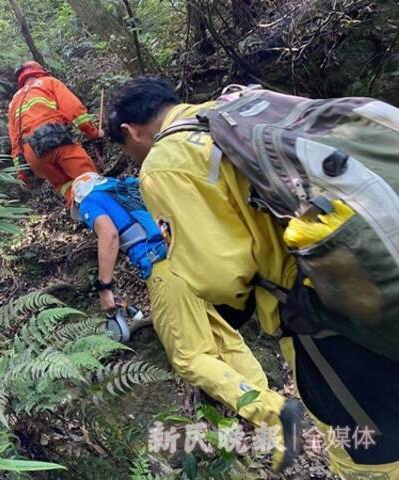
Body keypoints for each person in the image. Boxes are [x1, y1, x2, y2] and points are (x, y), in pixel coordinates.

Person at [107, 76, 399, 479]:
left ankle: (274, 413)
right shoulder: (240, 110)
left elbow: (220, 275)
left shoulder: (166, 161)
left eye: (127, 150)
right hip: (376, 264)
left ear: (130, 131)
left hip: (324, 313)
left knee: (369, 451)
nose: (132, 158)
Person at [71, 171, 302, 472]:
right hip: (188, 260)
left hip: (163, 269)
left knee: (188, 357)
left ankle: (273, 411)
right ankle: (270, 415)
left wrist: (105, 288)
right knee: (222, 337)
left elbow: (109, 234)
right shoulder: (128, 187)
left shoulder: (90, 200)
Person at [8, 61, 104, 204]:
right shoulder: (48, 82)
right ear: (39, 71)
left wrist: (21, 174)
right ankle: (110, 215)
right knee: (88, 179)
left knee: (64, 186)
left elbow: (14, 143)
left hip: (33, 154)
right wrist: (93, 132)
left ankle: (85, 213)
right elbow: (74, 110)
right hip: (55, 139)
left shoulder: (14, 102)